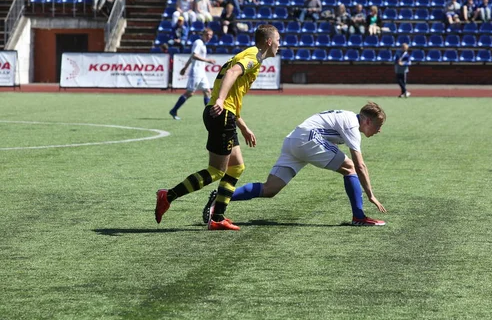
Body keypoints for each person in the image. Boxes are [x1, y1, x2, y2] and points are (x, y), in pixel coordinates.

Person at [155, 24, 281, 231]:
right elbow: (232, 72)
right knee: (216, 171)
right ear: (268, 41)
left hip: (226, 115)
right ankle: (167, 196)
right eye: (278, 40)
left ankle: (218, 217)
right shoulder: (254, 56)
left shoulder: (252, 55)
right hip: (221, 115)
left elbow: (233, 91)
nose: (279, 45)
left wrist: (242, 126)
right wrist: (221, 101)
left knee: (237, 166)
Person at [201, 102, 387, 227]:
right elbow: (360, 165)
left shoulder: (346, 116)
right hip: (308, 140)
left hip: (294, 140)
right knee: (351, 168)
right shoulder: (352, 125)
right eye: (378, 126)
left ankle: (222, 197)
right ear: (368, 121)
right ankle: (359, 217)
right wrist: (371, 195)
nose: (378, 131)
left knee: (269, 189)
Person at [169, 29, 217, 120]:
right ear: (203, 34)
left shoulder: (203, 44)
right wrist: (208, 60)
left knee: (207, 91)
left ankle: (210, 115)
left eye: (211, 35)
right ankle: (174, 110)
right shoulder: (198, 42)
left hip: (201, 72)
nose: (209, 37)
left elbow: (192, 56)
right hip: (196, 72)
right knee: (190, 93)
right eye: (207, 34)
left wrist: (185, 67)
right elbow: (194, 55)